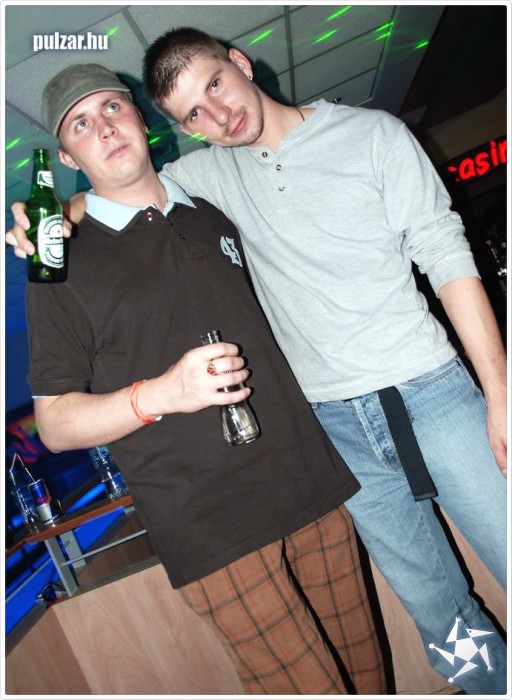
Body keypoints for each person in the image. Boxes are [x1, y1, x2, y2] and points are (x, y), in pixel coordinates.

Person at [9, 27, 506, 694]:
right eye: (193, 113)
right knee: (441, 625)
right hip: (321, 443)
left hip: (411, 409)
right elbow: (116, 196)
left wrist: (499, 392)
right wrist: (53, 218)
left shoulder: (340, 147)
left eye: (215, 84)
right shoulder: (182, 193)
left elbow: (446, 253)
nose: (216, 115)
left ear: (240, 63)